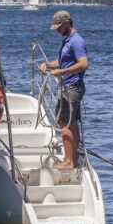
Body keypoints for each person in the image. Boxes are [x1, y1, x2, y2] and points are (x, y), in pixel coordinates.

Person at [39, 10, 89, 170]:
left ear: (67, 22)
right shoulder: (67, 41)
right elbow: (63, 62)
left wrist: (63, 72)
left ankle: (68, 162)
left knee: (64, 123)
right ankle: (72, 158)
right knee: (71, 124)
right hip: (67, 86)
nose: (58, 30)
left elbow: (83, 64)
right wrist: (48, 65)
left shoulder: (76, 41)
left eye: (59, 27)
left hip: (72, 87)